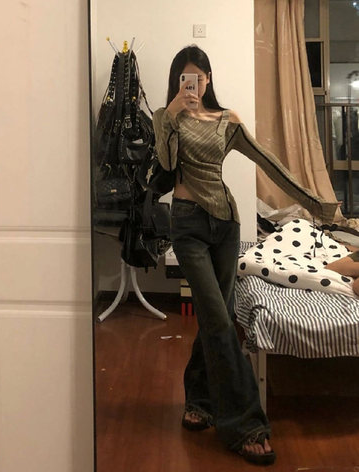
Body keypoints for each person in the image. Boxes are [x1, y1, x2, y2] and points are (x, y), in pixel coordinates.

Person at [152, 45, 339, 466]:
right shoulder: (167, 118)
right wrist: (170, 116)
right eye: (185, 78)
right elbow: (165, 162)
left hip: (226, 225)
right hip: (187, 226)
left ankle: (199, 402)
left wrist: (316, 202)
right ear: (177, 81)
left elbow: (267, 162)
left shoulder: (227, 120)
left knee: (215, 317)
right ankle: (245, 424)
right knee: (220, 322)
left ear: (209, 79)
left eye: (199, 78)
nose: (193, 85)